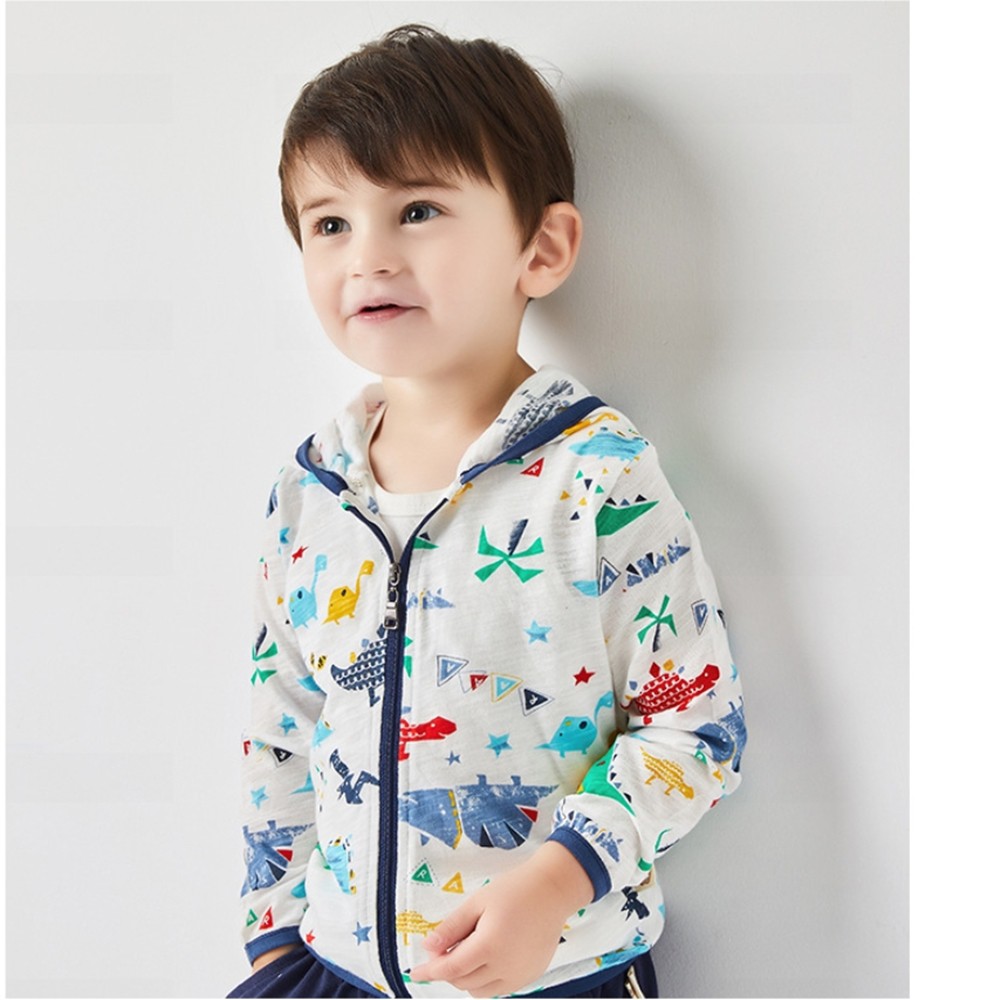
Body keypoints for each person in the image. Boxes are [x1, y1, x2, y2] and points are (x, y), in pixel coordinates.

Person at [229, 24, 746, 1000]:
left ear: (540, 249)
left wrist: (557, 881)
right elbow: (280, 732)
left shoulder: (595, 477)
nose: (367, 256)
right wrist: (273, 941)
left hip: (558, 973)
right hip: (332, 970)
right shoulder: (309, 494)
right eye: (329, 223)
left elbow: (695, 725)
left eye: (417, 209)